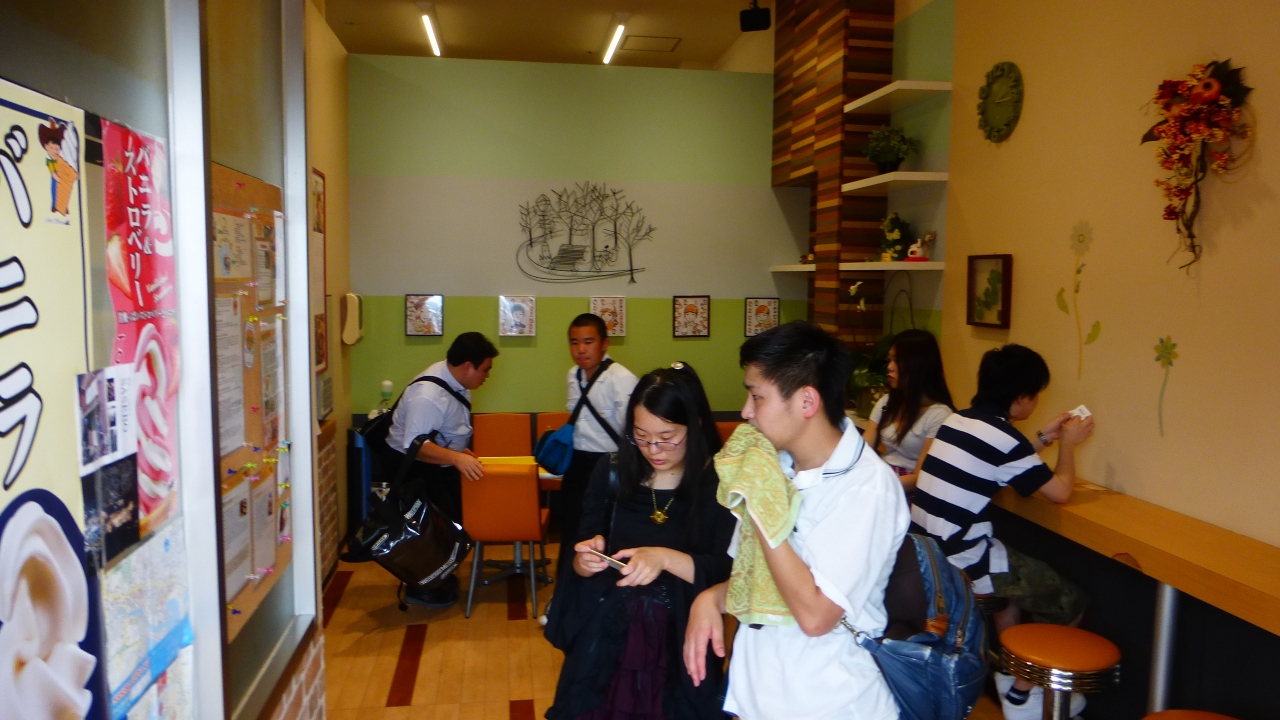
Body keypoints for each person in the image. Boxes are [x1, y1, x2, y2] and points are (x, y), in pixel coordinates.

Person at [684, 321, 909, 720]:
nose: (746, 412)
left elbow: (816, 615)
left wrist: (759, 503)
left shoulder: (866, 488)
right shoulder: (776, 466)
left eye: (757, 397)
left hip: (828, 703)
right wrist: (712, 598)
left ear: (807, 401)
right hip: (761, 696)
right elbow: (761, 581)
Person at [909, 344, 1095, 720]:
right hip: (963, 560)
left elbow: (997, 459)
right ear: (1022, 398)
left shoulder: (957, 421)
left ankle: (1010, 676)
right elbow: (1060, 492)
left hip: (926, 554)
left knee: (1008, 593)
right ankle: (1022, 693)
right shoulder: (1004, 439)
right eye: (1036, 395)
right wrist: (1069, 446)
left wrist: (1043, 437)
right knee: (1070, 601)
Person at [546, 363, 734, 720]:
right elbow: (583, 544)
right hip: (608, 641)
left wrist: (664, 558)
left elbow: (729, 572)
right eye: (641, 435)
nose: (653, 449)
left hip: (682, 642)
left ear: (695, 425)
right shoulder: (612, 471)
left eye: (667, 436)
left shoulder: (721, 483)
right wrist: (583, 561)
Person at [384, 331, 498, 607]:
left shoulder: (453, 380)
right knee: (428, 531)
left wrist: (457, 451)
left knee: (445, 525)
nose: (487, 376)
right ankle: (423, 590)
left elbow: (443, 426)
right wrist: (456, 458)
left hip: (438, 465)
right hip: (415, 469)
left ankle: (439, 579)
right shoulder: (428, 396)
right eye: (485, 369)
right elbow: (416, 446)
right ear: (467, 367)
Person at [556, 313, 638, 579]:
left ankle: (604, 591)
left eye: (588, 342)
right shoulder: (573, 375)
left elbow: (634, 430)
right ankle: (565, 592)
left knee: (604, 532)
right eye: (574, 342)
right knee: (571, 530)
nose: (580, 349)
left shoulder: (621, 378)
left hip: (610, 464)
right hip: (577, 463)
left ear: (604, 344)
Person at [861, 329, 955, 493]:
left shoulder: (939, 415)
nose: (889, 367)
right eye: (890, 359)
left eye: (897, 361)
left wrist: (878, 487)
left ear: (918, 365)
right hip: (882, 476)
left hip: (905, 489)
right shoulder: (887, 402)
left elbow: (920, 478)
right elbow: (862, 449)